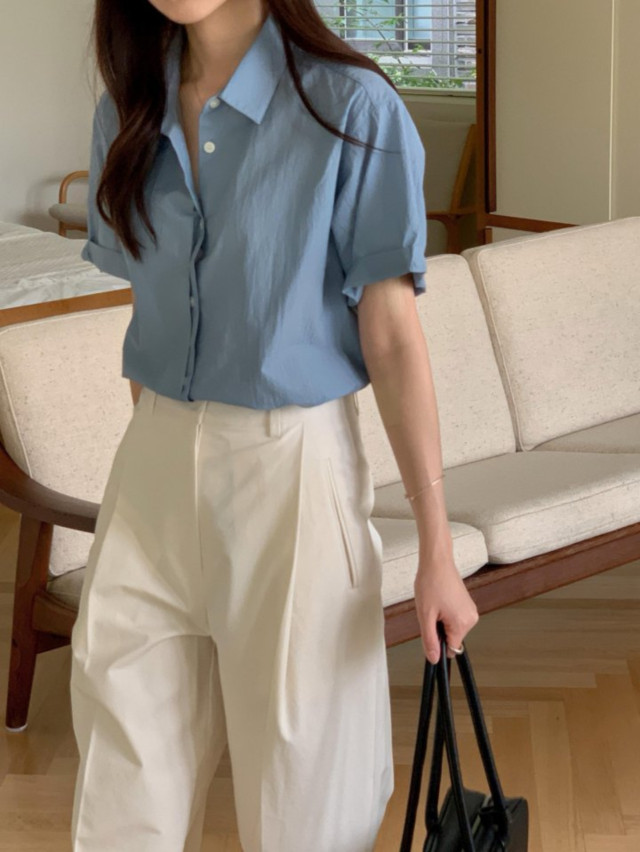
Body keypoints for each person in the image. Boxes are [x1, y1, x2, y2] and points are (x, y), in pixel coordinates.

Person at [69, 0, 480, 849]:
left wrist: (436, 548)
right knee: (119, 788)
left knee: (305, 797)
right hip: (150, 470)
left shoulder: (351, 107)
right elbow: (149, 309)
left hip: (289, 471)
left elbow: (393, 337)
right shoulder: (128, 109)